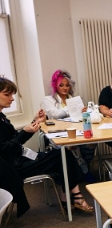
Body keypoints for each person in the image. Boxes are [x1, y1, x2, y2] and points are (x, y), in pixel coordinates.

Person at [0, 77, 93, 213]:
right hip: (13, 167)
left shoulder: (2, 117)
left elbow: (15, 139)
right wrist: (24, 132)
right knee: (62, 156)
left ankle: (68, 199)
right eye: (7, 95)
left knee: (63, 155)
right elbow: (5, 149)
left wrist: (35, 122)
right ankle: (75, 197)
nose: (12, 99)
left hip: (18, 159)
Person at [42, 70, 96, 178]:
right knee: (72, 146)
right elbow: (56, 114)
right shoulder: (48, 100)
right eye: (61, 85)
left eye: (67, 85)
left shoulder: (73, 99)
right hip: (58, 132)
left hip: (76, 129)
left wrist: (83, 111)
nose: (65, 88)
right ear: (55, 86)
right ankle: (81, 172)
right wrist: (70, 108)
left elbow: (79, 117)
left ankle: (84, 168)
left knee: (91, 142)